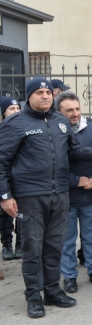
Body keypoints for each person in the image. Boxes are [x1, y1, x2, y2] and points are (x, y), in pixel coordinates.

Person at [0, 77, 92, 318]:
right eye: (39, 92)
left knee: (54, 247)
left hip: (60, 195)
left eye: (48, 92)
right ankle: (33, 296)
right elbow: (2, 161)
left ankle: (52, 291)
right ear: (29, 96)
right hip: (30, 196)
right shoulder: (15, 123)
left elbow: (74, 151)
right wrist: (5, 196)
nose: (45, 96)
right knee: (32, 248)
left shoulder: (60, 121)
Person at [55, 92, 92, 293]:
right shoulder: (54, 132)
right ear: (58, 112)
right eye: (69, 110)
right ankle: (69, 276)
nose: (75, 113)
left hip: (91, 194)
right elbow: (54, 166)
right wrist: (77, 181)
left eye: (77, 109)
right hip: (65, 196)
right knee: (67, 240)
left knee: (91, 237)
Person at [0, 97, 22, 261]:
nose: (15, 112)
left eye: (17, 109)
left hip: (20, 177)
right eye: (11, 109)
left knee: (21, 212)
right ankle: (6, 244)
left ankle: (20, 244)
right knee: (5, 214)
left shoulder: (23, 129)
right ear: (3, 113)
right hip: (5, 178)